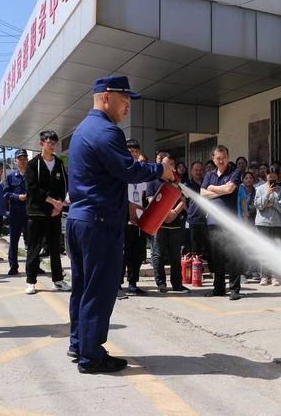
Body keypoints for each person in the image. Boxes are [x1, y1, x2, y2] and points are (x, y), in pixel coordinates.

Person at [67, 75, 174, 374]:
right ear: (105, 98)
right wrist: (159, 170)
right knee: (99, 290)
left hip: (80, 220)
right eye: (124, 100)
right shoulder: (106, 131)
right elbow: (127, 169)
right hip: (99, 225)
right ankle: (91, 356)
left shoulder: (82, 130)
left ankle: (79, 343)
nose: (127, 107)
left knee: (83, 288)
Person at [24, 130, 71, 295]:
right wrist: (53, 203)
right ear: (41, 144)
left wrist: (59, 206)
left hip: (55, 214)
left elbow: (64, 186)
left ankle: (57, 280)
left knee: (54, 248)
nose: (52, 146)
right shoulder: (33, 164)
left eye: (54, 143)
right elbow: (32, 189)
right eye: (48, 142)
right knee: (34, 248)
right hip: (36, 213)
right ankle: (30, 281)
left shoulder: (59, 163)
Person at [201, 145, 242, 300]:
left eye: (224, 157)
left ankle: (234, 289)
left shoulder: (234, 172)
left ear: (228, 156)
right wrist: (219, 189)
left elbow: (230, 189)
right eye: (218, 158)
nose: (221, 160)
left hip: (229, 221)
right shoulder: (210, 174)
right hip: (212, 221)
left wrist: (212, 188)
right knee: (216, 257)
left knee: (232, 255)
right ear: (213, 158)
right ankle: (219, 289)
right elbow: (202, 193)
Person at [147, 154, 189, 293]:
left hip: (176, 224)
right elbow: (151, 200)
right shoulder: (153, 181)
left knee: (175, 256)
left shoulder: (177, 182)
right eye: (166, 164)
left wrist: (175, 213)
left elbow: (183, 200)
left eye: (172, 164)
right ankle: (161, 284)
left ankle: (177, 284)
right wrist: (165, 214)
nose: (170, 166)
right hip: (159, 224)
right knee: (158, 254)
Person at [254, 166, 281, 286]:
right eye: (270, 175)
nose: (272, 177)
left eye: (274, 176)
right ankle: (263, 276)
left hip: (277, 223)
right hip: (262, 223)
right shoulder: (259, 189)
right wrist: (267, 194)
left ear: (277, 176)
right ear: (266, 175)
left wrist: (273, 203)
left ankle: (275, 276)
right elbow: (258, 205)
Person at [122, 138, 148, 295]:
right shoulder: (120, 172)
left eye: (135, 152)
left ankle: (133, 283)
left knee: (137, 253)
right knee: (122, 254)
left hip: (140, 220)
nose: (132, 154)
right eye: (129, 152)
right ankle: (117, 284)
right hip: (123, 220)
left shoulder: (142, 173)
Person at [3, 149, 28, 275]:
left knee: (32, 241)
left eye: (24, 159)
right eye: (20, 159)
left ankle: (33, 266)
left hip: (30, 213)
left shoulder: (32, 175)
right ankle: (13, 266)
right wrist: (17, 197)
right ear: (15, 161)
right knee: (14, 240)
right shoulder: (10, 176)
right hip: (16, 213)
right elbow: (6, 194)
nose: (23, 161)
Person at [184, 161, 208, 259]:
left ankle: (211, 270)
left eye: (200, 170)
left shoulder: (207, 183)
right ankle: (196, 272)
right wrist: (189, 211)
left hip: (207, 219)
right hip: (193, 219)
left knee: (207, 247)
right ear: (191, 171)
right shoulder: (187, 184)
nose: (198, 172)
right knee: (194, 248)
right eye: (196, 170)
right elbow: (183, 200)